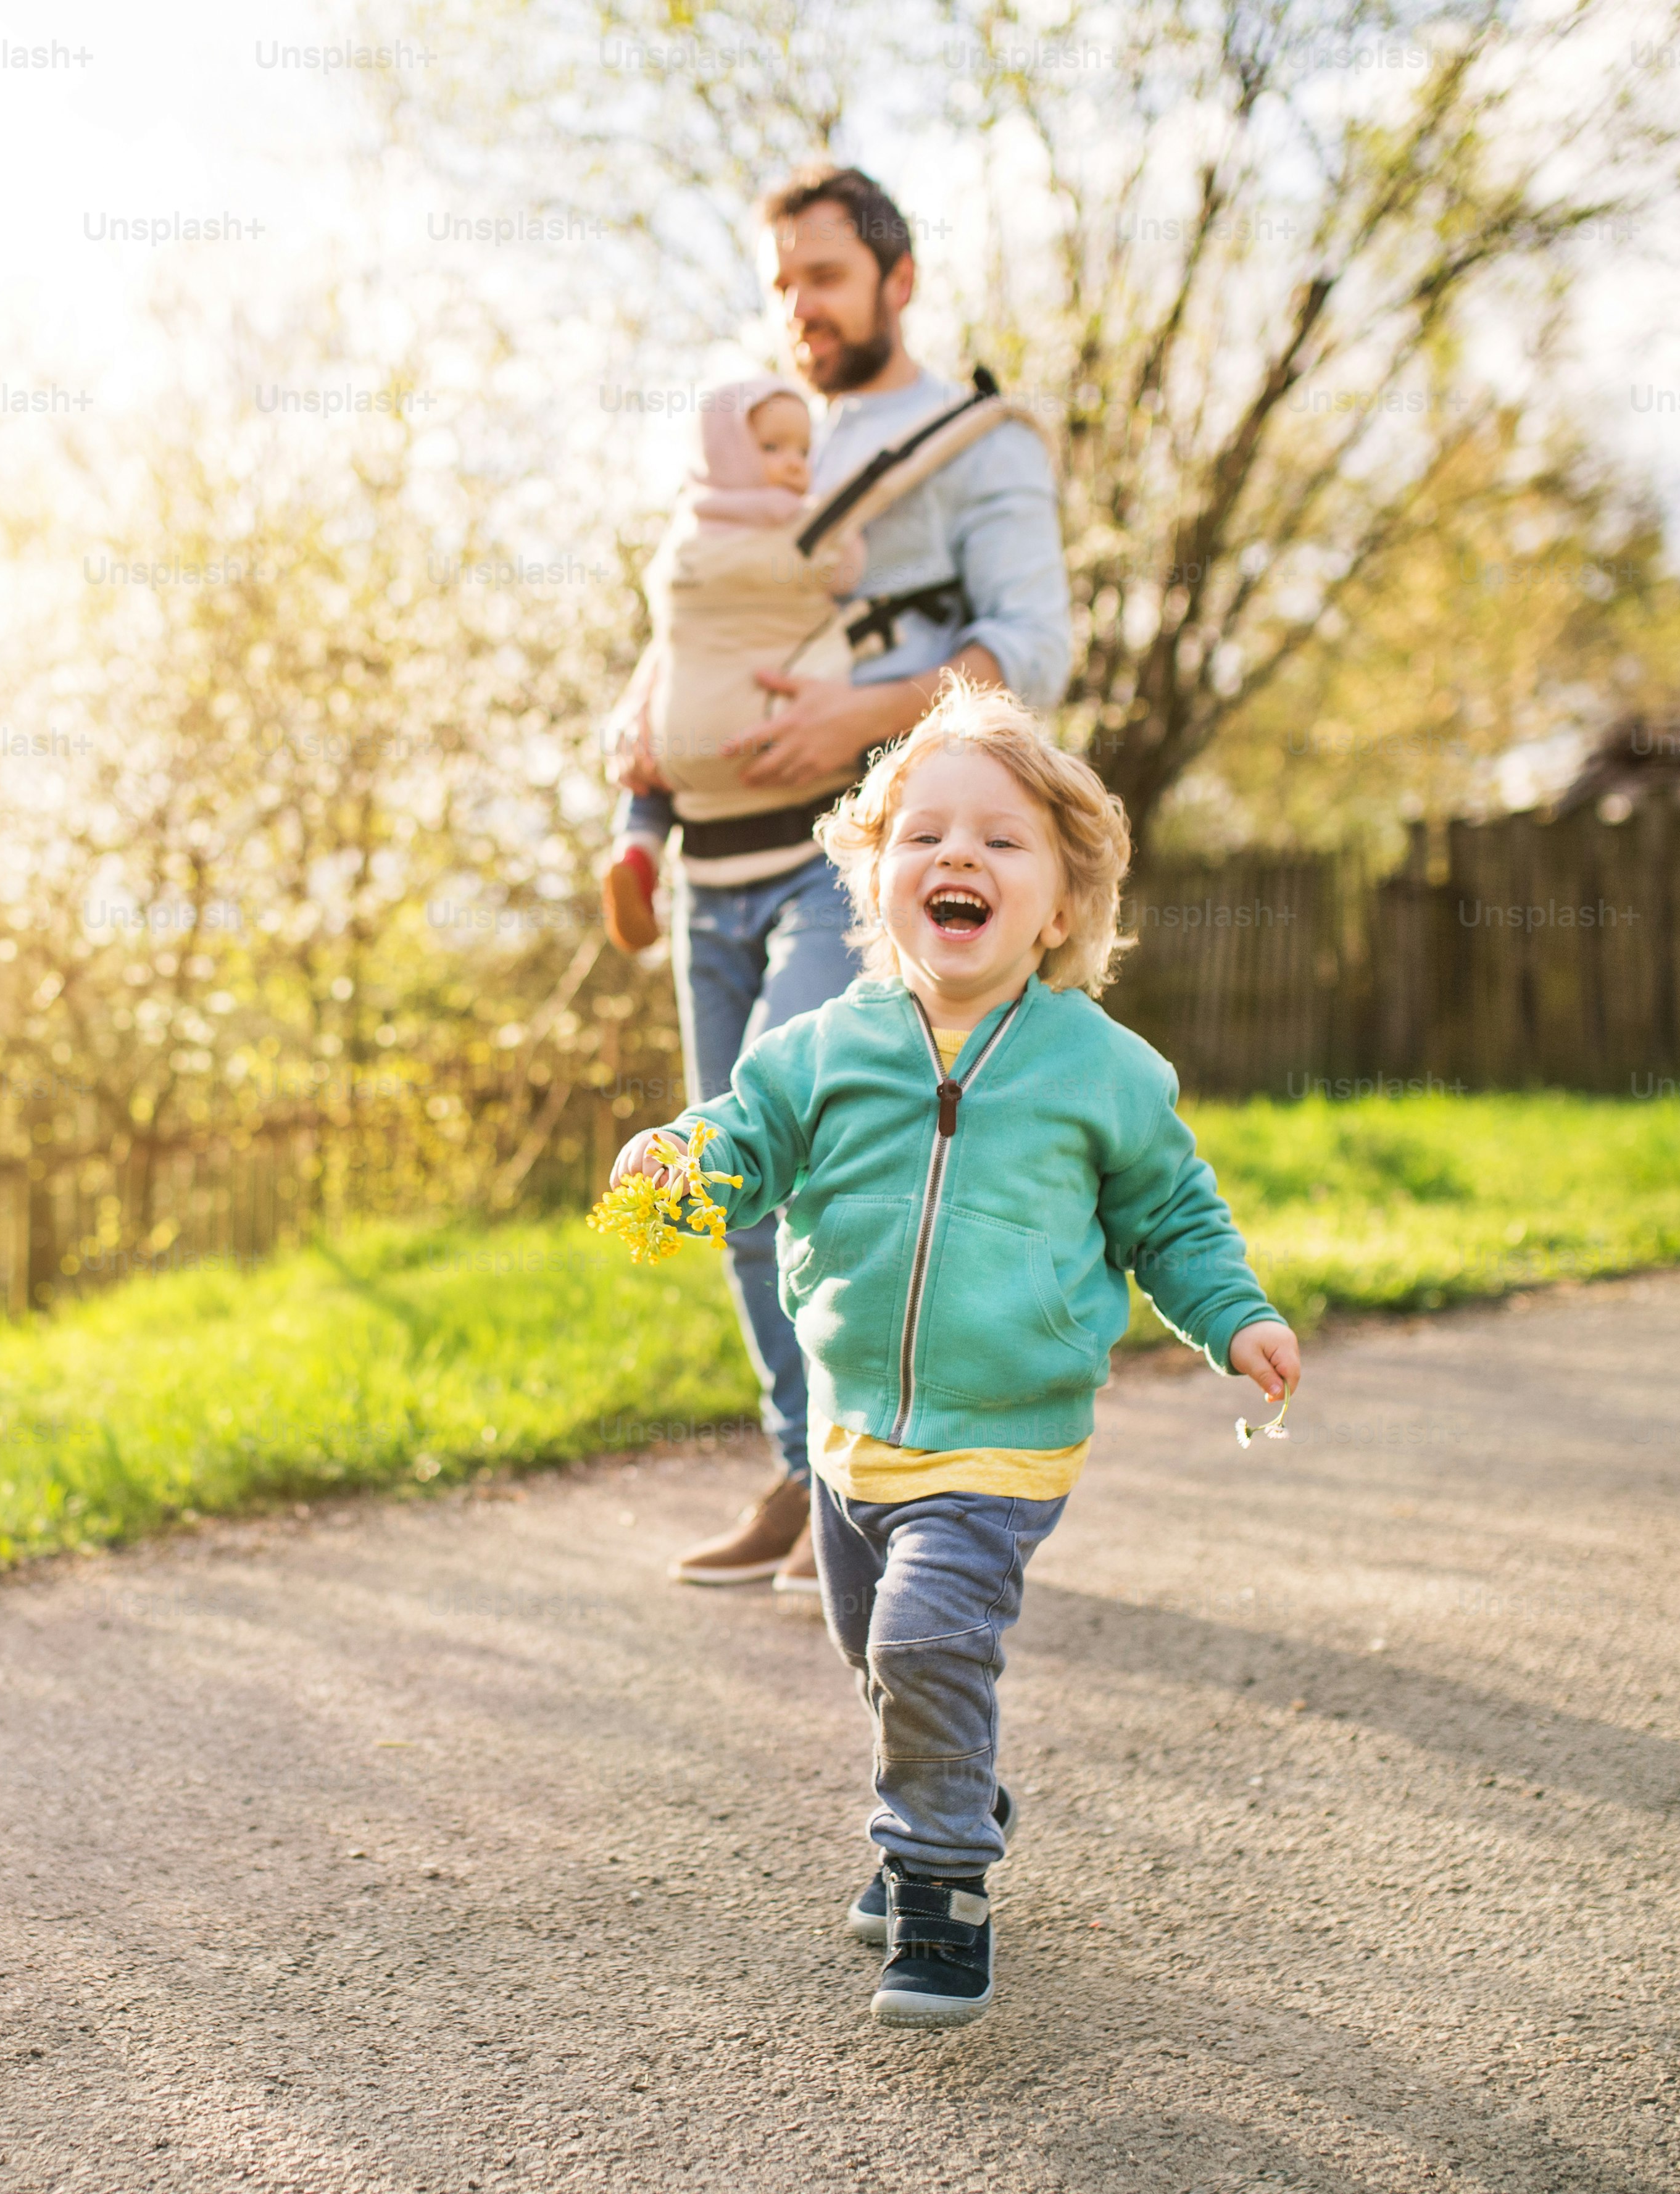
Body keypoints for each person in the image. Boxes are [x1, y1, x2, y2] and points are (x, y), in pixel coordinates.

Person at [607, 680, 1302, 2027]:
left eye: (1001, 839)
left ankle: (937, 1883)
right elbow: (741, 1144)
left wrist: (1238, 1317)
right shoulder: (821, 1052)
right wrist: (678, 1171)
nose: (959, 857)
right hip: (851, 1437)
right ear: (878, 883)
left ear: (1060, 903)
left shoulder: (1099, 1068)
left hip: (1005, 1437)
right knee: (879, 1648)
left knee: (930, 1637)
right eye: (924, 835)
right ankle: (955, 1780)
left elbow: (1171, 1215)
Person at [626, 163, 1076, 1597]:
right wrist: (636, 746)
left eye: (821, 278)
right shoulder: (760, 447)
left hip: (858, 855)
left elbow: (1030, 647)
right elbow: (688, 625)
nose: (798, 311)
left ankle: (879, 1473)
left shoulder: (975, 446)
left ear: (897, 278)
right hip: (715, 857)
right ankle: (801, 1458)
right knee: (729, 1172)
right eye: (780, 285)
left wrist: (853, 714)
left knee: (776, 1115)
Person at [594, 378, 868, 954]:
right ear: (728, 453)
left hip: (681, 750)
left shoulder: (684, 533)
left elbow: (672, 637)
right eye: (772, 449)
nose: (793, 465)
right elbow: (846, 571)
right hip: (763, 755)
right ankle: (637, 853)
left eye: (802, 451)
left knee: (646, 767)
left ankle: (636, 851)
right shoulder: (801, 526)